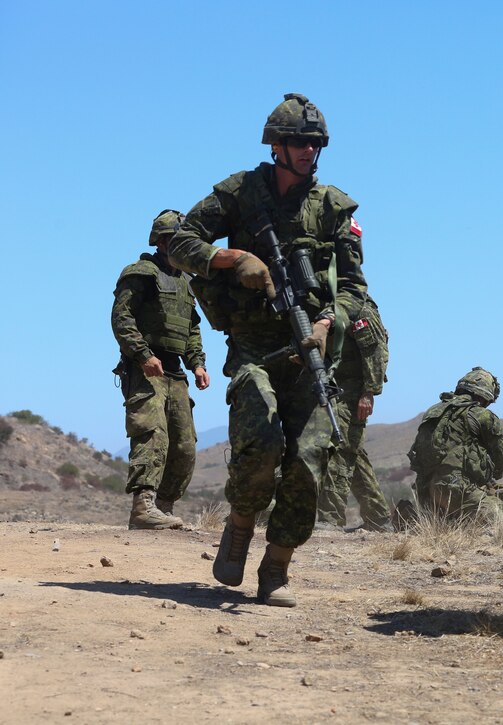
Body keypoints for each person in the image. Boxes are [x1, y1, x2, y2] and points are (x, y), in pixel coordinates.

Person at [168, 93, 368, 607]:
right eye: (299, 142)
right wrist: (232, 259)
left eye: (315, 143)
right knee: (260, 442)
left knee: (309, 459)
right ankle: (238, 527)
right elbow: (181, 242)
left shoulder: (335, 208)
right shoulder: (240, 192)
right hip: (255, 345)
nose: (308, 151)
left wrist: (329, 321)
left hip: (312, 350)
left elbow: (353, 287)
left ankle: (276, 567)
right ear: (277, 146)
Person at [112, 209, 210, 530]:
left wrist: (197, 364)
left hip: (176, 373)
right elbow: (122, 318)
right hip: (146, 368)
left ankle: (164, 509)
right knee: (152, 434)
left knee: (184, 446)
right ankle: (143, 507)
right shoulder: (141, 273)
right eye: (176, 240)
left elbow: (192, 330)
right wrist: (142, 355)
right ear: (162, 242)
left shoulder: (186, 284)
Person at [315, 295, 392, 532]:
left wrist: (368, 392)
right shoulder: (321, 305)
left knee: (341, 448)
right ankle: (379, 518)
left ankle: (331, 518)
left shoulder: (358, 307)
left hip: (353, 388)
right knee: (352, 449)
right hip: (332, 386)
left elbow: (375, 353)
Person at [408, 368, 503, 521]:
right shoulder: (483, 415)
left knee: (451, 524)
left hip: (425, 494)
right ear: (484, 396)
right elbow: (500, 456)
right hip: (457, 491)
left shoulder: (434, 411)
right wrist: (495, 474)